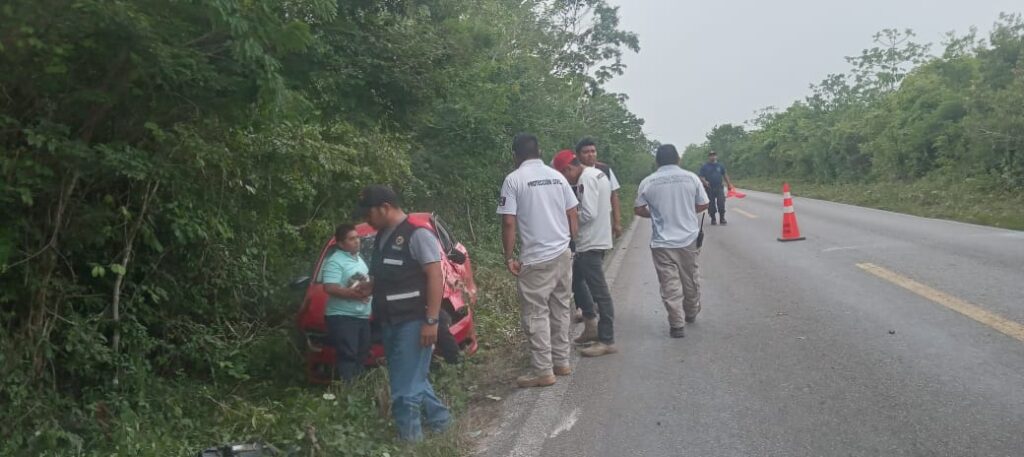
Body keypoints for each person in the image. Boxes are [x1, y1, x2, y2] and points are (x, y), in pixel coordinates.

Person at [355, 185, 451, 442]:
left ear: (385, 207)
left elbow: (435, 276)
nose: (366, 218)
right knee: (410, 378)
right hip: (390, 320)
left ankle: (411, 444)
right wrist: (371, 287)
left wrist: (431, 321)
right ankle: (442, 422)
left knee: (404, 391)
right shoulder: (382, 236)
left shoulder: (418, 234)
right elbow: (390, 275)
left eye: (369, 213)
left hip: (414, 320)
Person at [498, 133, 579, 388]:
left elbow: (509, 221)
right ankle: (562, 361)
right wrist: (570, 242)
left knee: (536, 313)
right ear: (539, 151)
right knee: (561, 307)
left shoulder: (513, 180)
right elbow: (572, 212)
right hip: (563, 254)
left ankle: (543, 370)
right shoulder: (557, 176)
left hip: (535, 258)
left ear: (515, 155)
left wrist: (509, 256)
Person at [634, 145, 709, 338]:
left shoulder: (648, 182)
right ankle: (691, 312)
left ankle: (676, 324)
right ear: (678, 159)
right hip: (688, 240)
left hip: (662, 242)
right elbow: (704, 203)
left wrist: (655, 214)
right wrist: (686, 212)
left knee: (669, 283)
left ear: (657, 161)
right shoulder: (691, 178)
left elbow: (639, 208)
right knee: (690, 278)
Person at [551, 150, 617, 357]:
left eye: (563, 175)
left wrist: (568, 216)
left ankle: (607, 339)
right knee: (576, 281)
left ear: (569, 168)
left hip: (590, 242)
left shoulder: (585, 180)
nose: (565, 180)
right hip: (597, 238)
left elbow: (588, 213)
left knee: (600, 292)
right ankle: (591, 327)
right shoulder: (596, 173)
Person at [319, 224, 372, 383]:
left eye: (357, 238)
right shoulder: (335, 261)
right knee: (348, 355)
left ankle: (358, 391)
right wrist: (356, 295)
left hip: (361, 316)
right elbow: (329, 287)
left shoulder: (359, 259)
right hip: (343, 317)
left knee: (362, 355)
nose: (357, 241)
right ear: (341, 244)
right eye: (352, 239)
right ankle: (347, 393)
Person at [698, 150, 734, 225]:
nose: (713, 156)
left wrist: (729, 184)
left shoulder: (720, 165)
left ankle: (722, 218)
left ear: (716, 156)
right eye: (711, 155)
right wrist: (705, 182)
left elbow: (725, 175)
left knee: (721, 202)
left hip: (719, 187)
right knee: (711, 204)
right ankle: (713, 218)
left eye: (714, 155)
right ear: (709, 157)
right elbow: (701, 176)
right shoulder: (705, 166)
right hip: (709, 188)